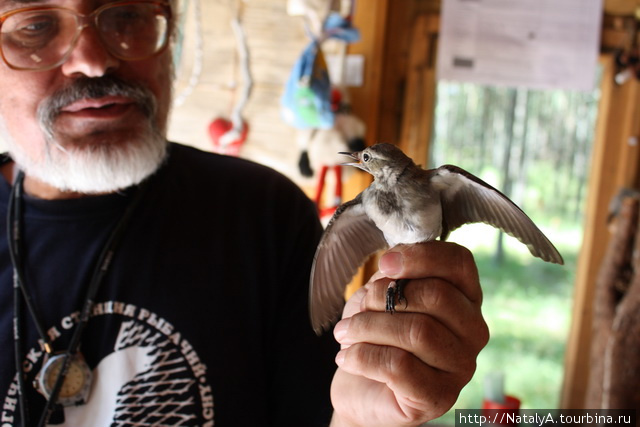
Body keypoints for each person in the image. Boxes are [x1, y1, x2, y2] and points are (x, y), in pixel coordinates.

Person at [0, 0, 489, 426]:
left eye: (128, 14)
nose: (92, 59)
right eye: (35, 25)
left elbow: (337, 409)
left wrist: (365, 419)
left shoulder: (266, 216)